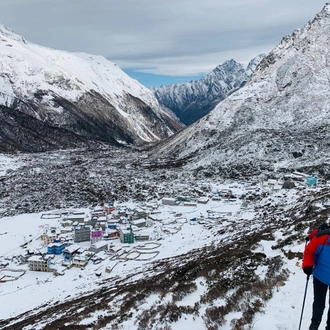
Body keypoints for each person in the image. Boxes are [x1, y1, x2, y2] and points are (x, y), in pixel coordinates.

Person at [303, 226, 330, 330]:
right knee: (319, 303)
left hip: (319, 276)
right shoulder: (323, 238)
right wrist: (307, 265)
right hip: (320, 276)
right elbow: (309, 252)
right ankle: (314, 325)